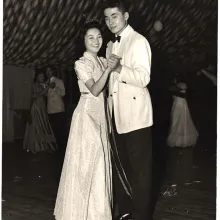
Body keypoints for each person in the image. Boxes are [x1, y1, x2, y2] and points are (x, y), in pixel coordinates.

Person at [54, 20, 114, 220]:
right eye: (91, 37)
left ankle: (96, 213)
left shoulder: (102, 60)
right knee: (86, 164)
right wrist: (108, 70)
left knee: (99, 164)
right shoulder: (81, 63)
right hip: (86, 115)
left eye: (99, 36)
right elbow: (95, 90)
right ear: (83, 40)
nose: (96, 40)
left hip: (100, 116)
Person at [103, 1, 153, 220]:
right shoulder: (110, 45)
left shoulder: (139, 41)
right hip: (117, 117)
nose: (110, 22)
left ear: (126, 16)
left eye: (114, 16)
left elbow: (143, 78)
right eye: (107, 18)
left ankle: (141, 216)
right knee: (121, 169)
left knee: (140, 172)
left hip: (137, 118)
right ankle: (124, 213)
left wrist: (120, 68)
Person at [163, 81, 198, 197]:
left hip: (182, 114)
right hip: (179, 112)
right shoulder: (178, 99)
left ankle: (178, 181)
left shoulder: (181, 100)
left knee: (178, 150)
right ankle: (181, 179)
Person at [23, 70, 57, 153]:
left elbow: (44, 95)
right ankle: (35, 146)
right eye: (40, 76)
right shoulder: (35, 85)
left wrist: (47, 87)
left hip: (42, 106)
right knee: (36, 125)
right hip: (36, 107)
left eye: (42, 76)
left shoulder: (42, 85)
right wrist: (47, 87)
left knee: (43, 125)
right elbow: (37, 95)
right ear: (37, 77)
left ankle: (43, 145)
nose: (42, 78)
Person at [46, 67, 67, 166]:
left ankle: (63, 151)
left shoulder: (59, 81)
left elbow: (63, 93)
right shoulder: (46, 82)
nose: (47, 72)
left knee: (60, 131)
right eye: (46, 71)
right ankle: (59, 150)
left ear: (52, 71)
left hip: (58, 109)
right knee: (54, 130)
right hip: (50, 109)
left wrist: (54, 87)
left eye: (49, 70)